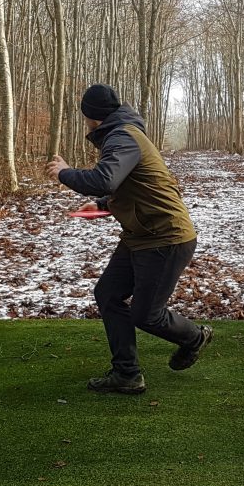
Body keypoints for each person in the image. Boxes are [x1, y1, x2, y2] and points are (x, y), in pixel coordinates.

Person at [45, 84, 212, 395]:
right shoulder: (123, 135)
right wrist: (103, 206)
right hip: (141, 235)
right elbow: (134, 185)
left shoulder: (123, 137)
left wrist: (64, 172)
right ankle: (127, 373)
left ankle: (194, 337)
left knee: (147, 316)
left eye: (85, 118)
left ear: (91, 117)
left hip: (165, 237)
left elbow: (104, 179)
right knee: (108, 293)